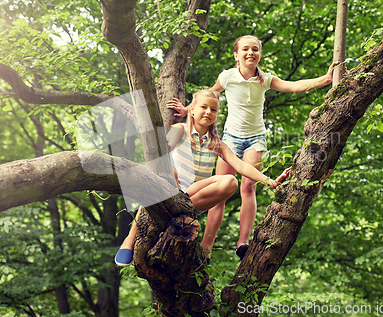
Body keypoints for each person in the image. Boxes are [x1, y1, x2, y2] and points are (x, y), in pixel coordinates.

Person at [167, 35, 338, 260]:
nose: (250, 53)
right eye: (245, 49)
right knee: (221, 194)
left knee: (248, 186)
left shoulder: (264, 79)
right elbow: (208, 96)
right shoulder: (227, 77)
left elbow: (294, 86)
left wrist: (325, 79)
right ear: (236, 54)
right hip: (229, 138)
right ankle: (207, 247)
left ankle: (243, 242)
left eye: (255, 49)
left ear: (259, 55)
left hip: (255, 138)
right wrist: (187, 109)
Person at [115, 89, 290, 266]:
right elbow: (164, 151)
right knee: (169, 171)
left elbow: (241, 165)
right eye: (204, 107)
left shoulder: (216, 143)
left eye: (213, 109)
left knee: (230, 181)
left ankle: (181, 211)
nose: (208, 112)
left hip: (192, 196)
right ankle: (129, 240)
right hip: (170, 188)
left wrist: (269, 181)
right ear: (191, 109)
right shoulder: (180, 130)